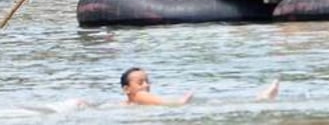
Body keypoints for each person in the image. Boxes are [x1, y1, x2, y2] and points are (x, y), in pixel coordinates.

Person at [120, 67, 280, 107]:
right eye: (141, 83)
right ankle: (261, 99)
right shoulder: (138, 97)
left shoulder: (137, 101)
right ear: (127, 89)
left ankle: (261, 99)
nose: (146, 85)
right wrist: (179, 103)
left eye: (148, 81)